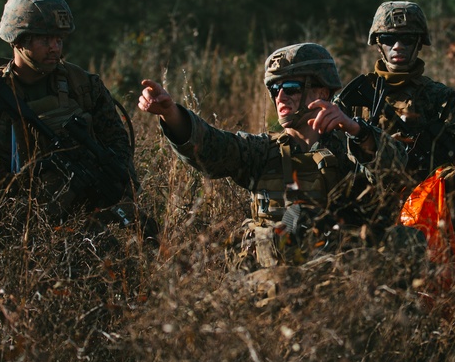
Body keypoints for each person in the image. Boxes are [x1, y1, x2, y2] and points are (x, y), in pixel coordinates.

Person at [138, 42, 412, 268]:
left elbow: (397, 172)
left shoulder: (351, 146)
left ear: (322, 91)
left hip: (341, 281)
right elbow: (212, 148)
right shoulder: (261, 150)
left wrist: (357, 130)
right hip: (275, 286)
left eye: (290, 88)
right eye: (274, 89)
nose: (280, 97)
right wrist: (172, 114)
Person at [0, 0, 138, 221]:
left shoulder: (84, 87)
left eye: (59, 39)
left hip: (82, 218)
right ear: (18, 40)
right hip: (3, 223)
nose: (55, 48)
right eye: (45, 39)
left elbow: (118, 147)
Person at [336, 1, 455, 269]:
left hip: (429, 213)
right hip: (366, 209)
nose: (397, 47)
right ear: (378, 43)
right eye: (389, 39)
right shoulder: (355, 100)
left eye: (406, 39)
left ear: (419, 43)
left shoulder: (439, 98)